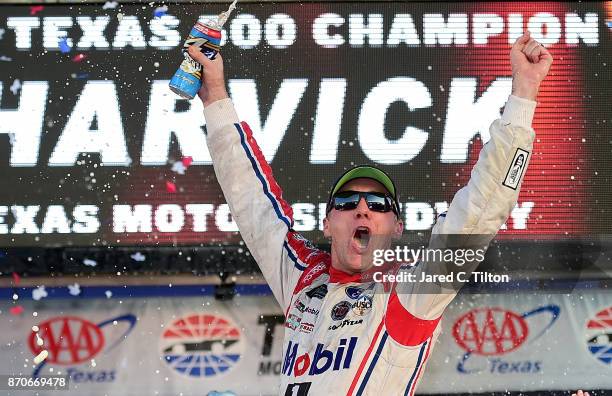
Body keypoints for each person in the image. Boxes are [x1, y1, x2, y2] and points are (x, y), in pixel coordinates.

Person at [188, 32, 553, 395]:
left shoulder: (410, 294)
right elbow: (253, 203)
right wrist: (215, 97)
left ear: (397, 227)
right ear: (327, 224)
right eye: (347, 203)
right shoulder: (303, 281)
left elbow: (480, 210)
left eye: (378, 205)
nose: (362, 209)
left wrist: (523, 93)